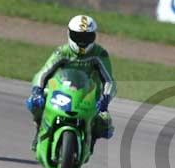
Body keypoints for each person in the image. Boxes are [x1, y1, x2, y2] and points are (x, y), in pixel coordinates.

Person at [26, 15, 116, 152]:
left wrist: (105, 99)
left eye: (86, 38)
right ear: (69, 34)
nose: (82, 42)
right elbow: (43, 73)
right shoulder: (62, 52)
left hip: (89, 96)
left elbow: (109, 80)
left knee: (105, 125)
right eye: (78, 37)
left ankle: (91, 140)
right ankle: (39, 129)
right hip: (61, 91)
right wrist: (37, 91)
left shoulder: (99, 54)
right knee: (34, 103)